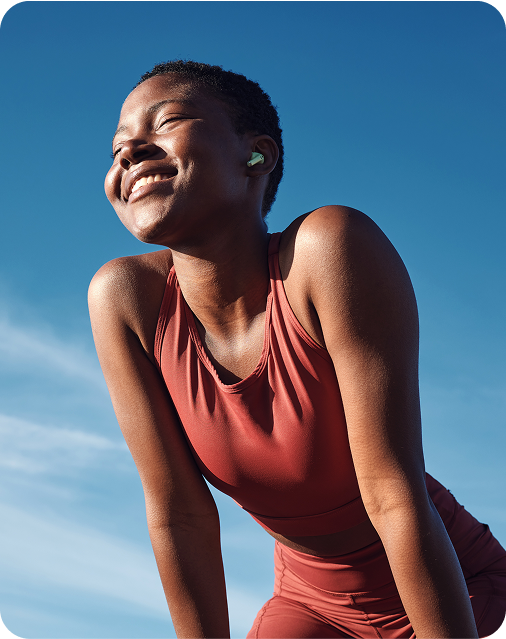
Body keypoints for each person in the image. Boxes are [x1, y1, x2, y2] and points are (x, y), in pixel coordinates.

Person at [88, 60, 506, 639]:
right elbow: (179, 515)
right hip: (310, 604)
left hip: (455, 591)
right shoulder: (125, 299)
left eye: (167, 121)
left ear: (256, 156)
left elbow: (392, 494)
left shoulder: (328, 250)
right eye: (117, 148)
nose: (130, 151)